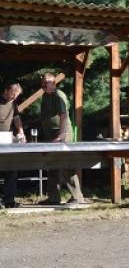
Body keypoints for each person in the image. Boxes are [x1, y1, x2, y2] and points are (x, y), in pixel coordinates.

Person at [40, 73, 85, 204]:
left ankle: (77, 197)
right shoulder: (45, 96)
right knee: (52, 165)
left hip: (62, 134)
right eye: (43, 82)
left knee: (67, 165)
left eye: (46, 82)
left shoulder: (59, 95)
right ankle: (53, 198)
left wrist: (61, 134)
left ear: (53, 83)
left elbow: (64, 116)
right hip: (51, 135)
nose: (43, 85)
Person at [0, 82, 25, 208]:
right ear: (6, 90)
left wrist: (21, 131)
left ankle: (9, 200)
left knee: (12, 168)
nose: (14, 98)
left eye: (16, 96)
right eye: (12, 95)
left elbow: (16, 118)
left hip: (8, 139)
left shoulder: (13, 103)